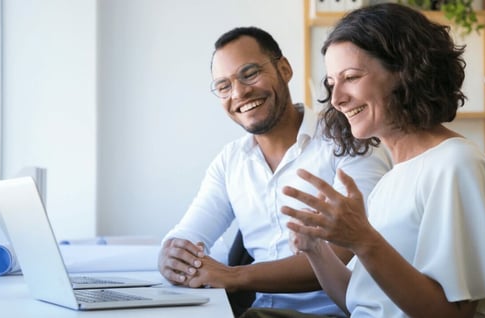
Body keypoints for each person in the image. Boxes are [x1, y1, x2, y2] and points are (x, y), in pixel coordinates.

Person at [242, 3, 485, 318]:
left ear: (405, 72)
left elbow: (451, 314)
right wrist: (315, 249)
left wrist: (363, 239)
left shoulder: (456, 165)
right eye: (332, 83)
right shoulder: (392, 179)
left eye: (351, 77)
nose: (337, 98)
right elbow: (360, 301)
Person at [158, 26, 392, 317]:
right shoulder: (231, 160)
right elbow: (189, 234)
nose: (240, 93)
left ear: (284, 69)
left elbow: (349, 249)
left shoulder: (350, 141)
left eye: (250, 73)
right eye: (224, 86)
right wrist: (171, 255)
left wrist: (235, 276)